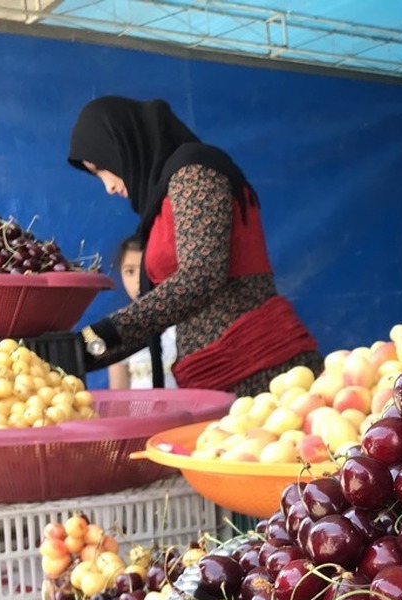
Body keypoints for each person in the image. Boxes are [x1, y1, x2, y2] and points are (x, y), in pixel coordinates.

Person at [68, 96, 322, 395]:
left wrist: (93, 341)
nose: (108, 186)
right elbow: (161, 311)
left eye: (101, 168)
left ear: (122, 143)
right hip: (217, 378)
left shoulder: (194, 171)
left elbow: (199, 277)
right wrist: (76, 353)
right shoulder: (163, 198)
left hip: (264, 370)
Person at [106, 234, 178, 390]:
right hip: (139, 413)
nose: (139, 280)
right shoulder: (120, 329)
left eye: (146, 270)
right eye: (129, 271)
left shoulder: (182, 323)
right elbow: (118, 391)